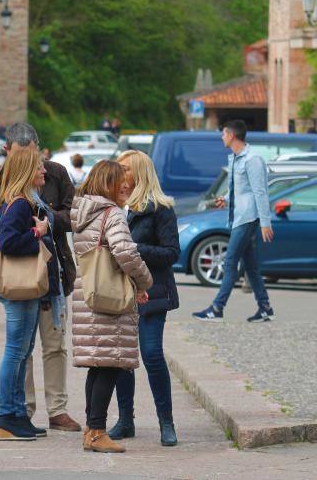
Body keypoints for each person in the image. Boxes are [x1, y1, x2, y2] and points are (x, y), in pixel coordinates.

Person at [0, 123, 82, 433]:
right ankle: (21, 409)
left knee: (54, 343)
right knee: (21, 347)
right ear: (7, 152)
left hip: (54, 270)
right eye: (23, 157)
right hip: (20, 275)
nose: (36, 166)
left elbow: (73, 214)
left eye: (33, 155)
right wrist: (22, 228)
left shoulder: (56, 173)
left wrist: (45, 220)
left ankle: (56, 409)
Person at [71, 160, 153, 453]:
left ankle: (90, 430)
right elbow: (125, 253)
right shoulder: (112, 214)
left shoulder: (81, 211)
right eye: (121, 182)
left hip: (88, 293)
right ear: (108, 183)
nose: (126, 186)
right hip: (109, 299)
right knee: (108, 364)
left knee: (97, 365)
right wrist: (144, 281)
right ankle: (97, 432)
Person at [111, 150, 180, 447]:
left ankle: (167, 422)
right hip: (119, 293)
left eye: (124, 168)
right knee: (123, 360)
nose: (120, 173)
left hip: (152, 291)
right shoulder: (114, 207)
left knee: (151, 354)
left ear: (138, 172)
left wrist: (135, 248)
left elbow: (171, 253)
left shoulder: (161, 209)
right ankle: (125, 420)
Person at [0, 147, 50, 441]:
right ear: (27, 171)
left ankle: (16, 414)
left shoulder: (23, 202)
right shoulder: (20, 204)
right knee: (15, 351)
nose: (44, 172)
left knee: (22, 352)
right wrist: (38, 233)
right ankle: (6, 415)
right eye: (39, 168)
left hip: (24, 288)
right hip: (19, 287)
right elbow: (9, 243)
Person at [192, 119, 275, 323]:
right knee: (250, 265)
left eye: (223, 134)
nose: (222, 137)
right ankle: (265, 308)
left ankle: (217, 309)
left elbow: (260, 192)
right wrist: (227, 199)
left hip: (248, 218)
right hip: (239, 215)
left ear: (231, 135)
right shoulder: (236, 158)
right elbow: (241, 189)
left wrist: (265, 222)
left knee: (229, 261)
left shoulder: (252, 159)